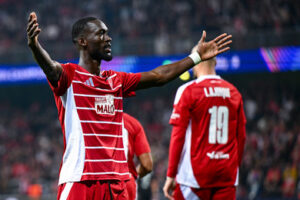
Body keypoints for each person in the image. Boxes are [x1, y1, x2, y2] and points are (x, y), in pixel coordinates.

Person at [26, 11, 232, 200]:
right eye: (100, 34)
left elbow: (159, 76)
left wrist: (196, 57)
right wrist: (35, 46)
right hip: (81, 180)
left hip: (117, 183)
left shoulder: (116, 80)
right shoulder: (69, 76)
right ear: (82, 42)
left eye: (107, 34)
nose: (108, 39)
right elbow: (50, 67)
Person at [163, 47, 246, 200]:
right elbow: (241, 137)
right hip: (226, 174)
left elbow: (178, 135)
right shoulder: (234, 92)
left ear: (195, 63)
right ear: (214, 62)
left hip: (194, 178)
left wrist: (171, 174)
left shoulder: (187, 91)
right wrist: (234, 168)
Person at [122, 113, 152, 200]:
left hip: (94, 181)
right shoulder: (132, 123)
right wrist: (134, 175)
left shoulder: (89, 119)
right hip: (126, 182)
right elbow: (147, 165)